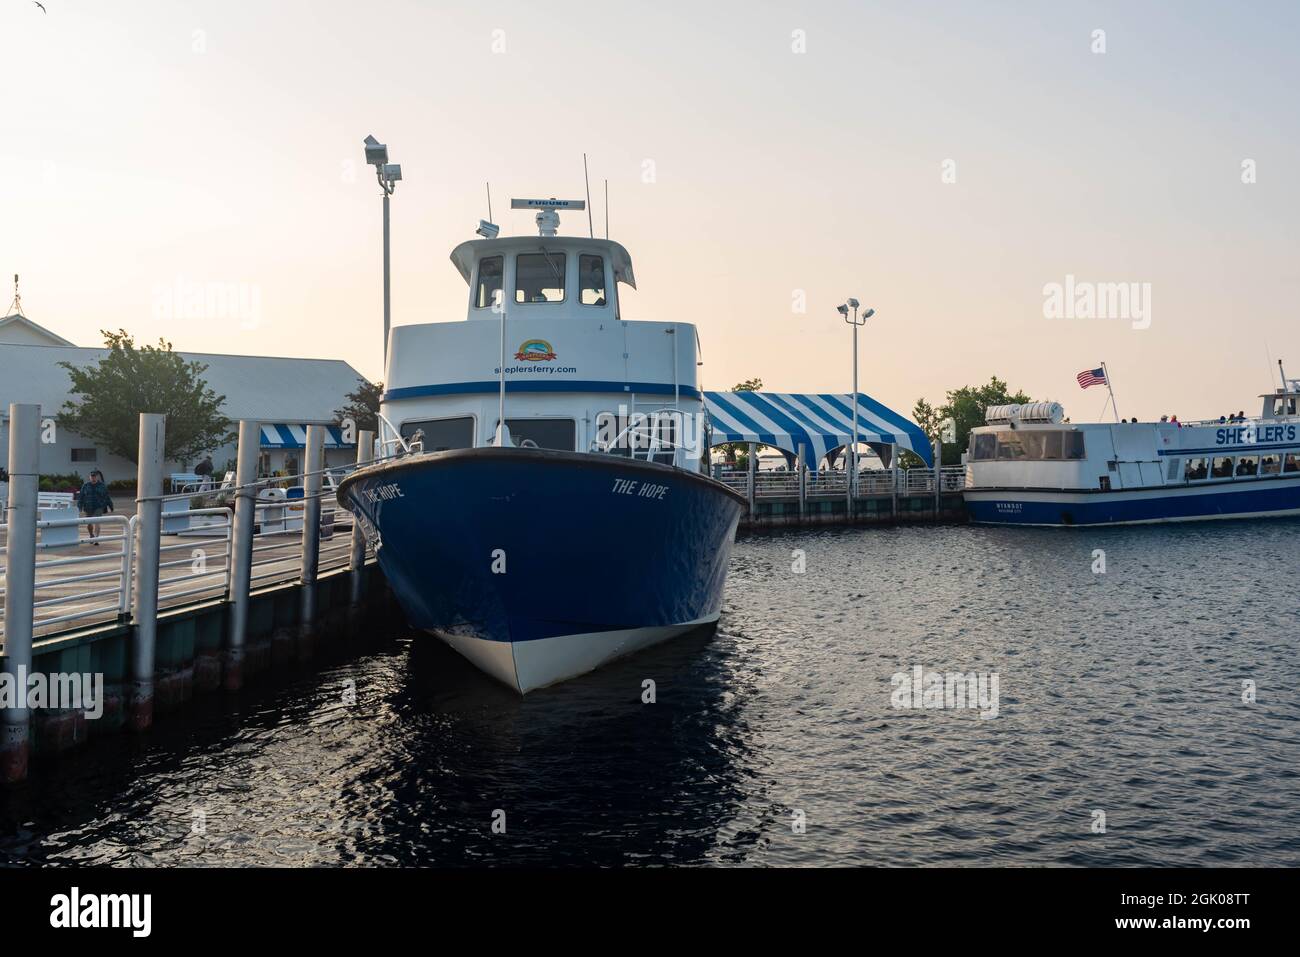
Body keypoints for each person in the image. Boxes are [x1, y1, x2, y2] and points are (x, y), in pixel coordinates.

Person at [78, 470, 114, 544]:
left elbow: (107, 496)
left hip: (99, 506)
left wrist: (111, 506)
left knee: (97, 522)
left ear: (97, 477)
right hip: (88, 506)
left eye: (94, 476)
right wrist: (80, 507)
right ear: (90, 477)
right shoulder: (85, 485)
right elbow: (81, 496)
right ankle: (91, 535)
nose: (93, 478)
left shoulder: (102, 485)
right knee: (89, 523)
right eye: (92, 476)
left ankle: (96, 539)